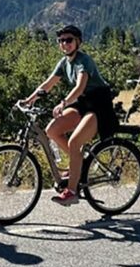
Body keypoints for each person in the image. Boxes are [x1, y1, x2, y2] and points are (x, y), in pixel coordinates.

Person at [22, 24, 118, 206]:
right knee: (52, 130)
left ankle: (72, 192)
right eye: (61, 41)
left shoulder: (84, 61)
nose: (64, 44)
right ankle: (78, 162)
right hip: (82, 104)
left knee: (75, 141)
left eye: (68, 40)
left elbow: (80, 87)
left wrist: (63, 103)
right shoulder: (64, 63)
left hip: (99, 105)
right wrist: (28, 100)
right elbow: (48, 84)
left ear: (78, 42)